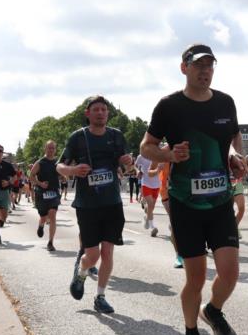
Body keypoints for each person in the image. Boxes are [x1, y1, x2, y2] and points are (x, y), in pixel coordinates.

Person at [142, 44, 245, 335]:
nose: (205, 71)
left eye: (209, 65)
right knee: (196, 277)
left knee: (230, 272)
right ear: (184, 68)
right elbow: (146, 147)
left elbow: (233, 139)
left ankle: (212, 311)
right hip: (185, 202)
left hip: (220, 200)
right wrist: (169, 155)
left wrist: (235, 156)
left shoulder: (225, 102)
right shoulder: (169, 106)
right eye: (198, 65)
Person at [58, 95, 133, 314]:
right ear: (88, 113)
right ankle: (81, 272)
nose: (100, 112)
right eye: (96, 109)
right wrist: (73, 170)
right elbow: (59, 166)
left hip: (112, 203)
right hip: (87, 205)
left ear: (107, 113)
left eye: (104, 109)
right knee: (93, 256)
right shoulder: (78, 137)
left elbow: (126, 168)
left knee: (108, 253)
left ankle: (100, 296)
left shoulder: (116, 136)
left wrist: (127, 163)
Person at [30, 140, 62, 251]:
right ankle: (41, 225)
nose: (51, 150)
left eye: (53, 148)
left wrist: (63, 177)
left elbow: (61, 175)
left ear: (55, 149)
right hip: (41, 193)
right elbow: (31, 176)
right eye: (49, 148)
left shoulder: (58, 162)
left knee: (52, 215)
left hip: (54, 193)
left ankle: (50, 242)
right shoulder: (40, 162)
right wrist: (40, 184)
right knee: (43, 217)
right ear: (45, 148)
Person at [134, 151, 163, 236]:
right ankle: (152, 227)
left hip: (156, 184)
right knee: (150, 204)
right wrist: (137, 171)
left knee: (151, 206)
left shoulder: (158, 154)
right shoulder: (141, 156)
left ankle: (147, 218)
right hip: (146, 183)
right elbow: (135, 165)